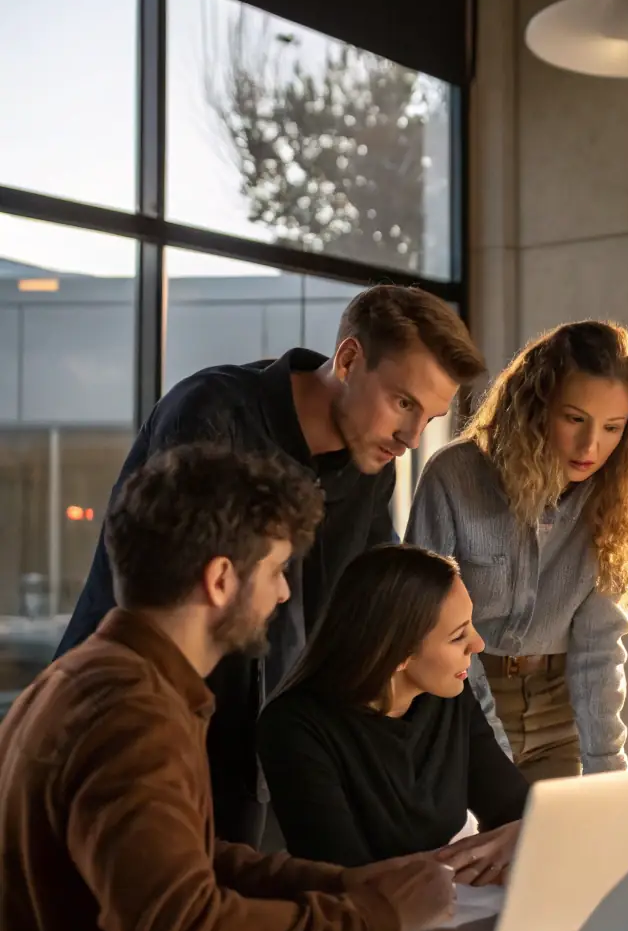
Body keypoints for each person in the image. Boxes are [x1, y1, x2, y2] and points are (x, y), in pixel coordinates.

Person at [0, 444, 455, 931]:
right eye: (275, 570)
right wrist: (376, 917)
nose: (284, 592)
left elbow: (183, 858)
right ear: (220, 580)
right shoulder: (133, 711)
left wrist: (341, 884)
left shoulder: (90, 677)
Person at [56, 284, 485, 845]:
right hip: (142, 721)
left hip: (264, 744)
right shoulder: (211, 413)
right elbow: (174, 596)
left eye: (428, 418)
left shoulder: (372, 465)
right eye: (403, 403)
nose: (410, 437)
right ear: (349, 360)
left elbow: (372, 606)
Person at [406, 320, 628, 781]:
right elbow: (427, 630)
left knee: (566, 846)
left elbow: (598, 648)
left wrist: (610, 775)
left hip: (559, 713)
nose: (590, 446)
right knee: (482, 849)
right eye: (574, 418)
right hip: (460, 698)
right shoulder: (453, 476)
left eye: (613, 428)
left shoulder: (616, 501)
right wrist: (492, 755)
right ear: (535, 407)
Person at [257, 545, 528, 885]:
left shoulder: (445, 693)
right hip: (366, 926)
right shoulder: (294, 728)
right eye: (458, 636)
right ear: (398, 653)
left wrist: (520, 833)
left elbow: (515, 809)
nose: (478, 644)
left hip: (446, 907)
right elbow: (341, 875)